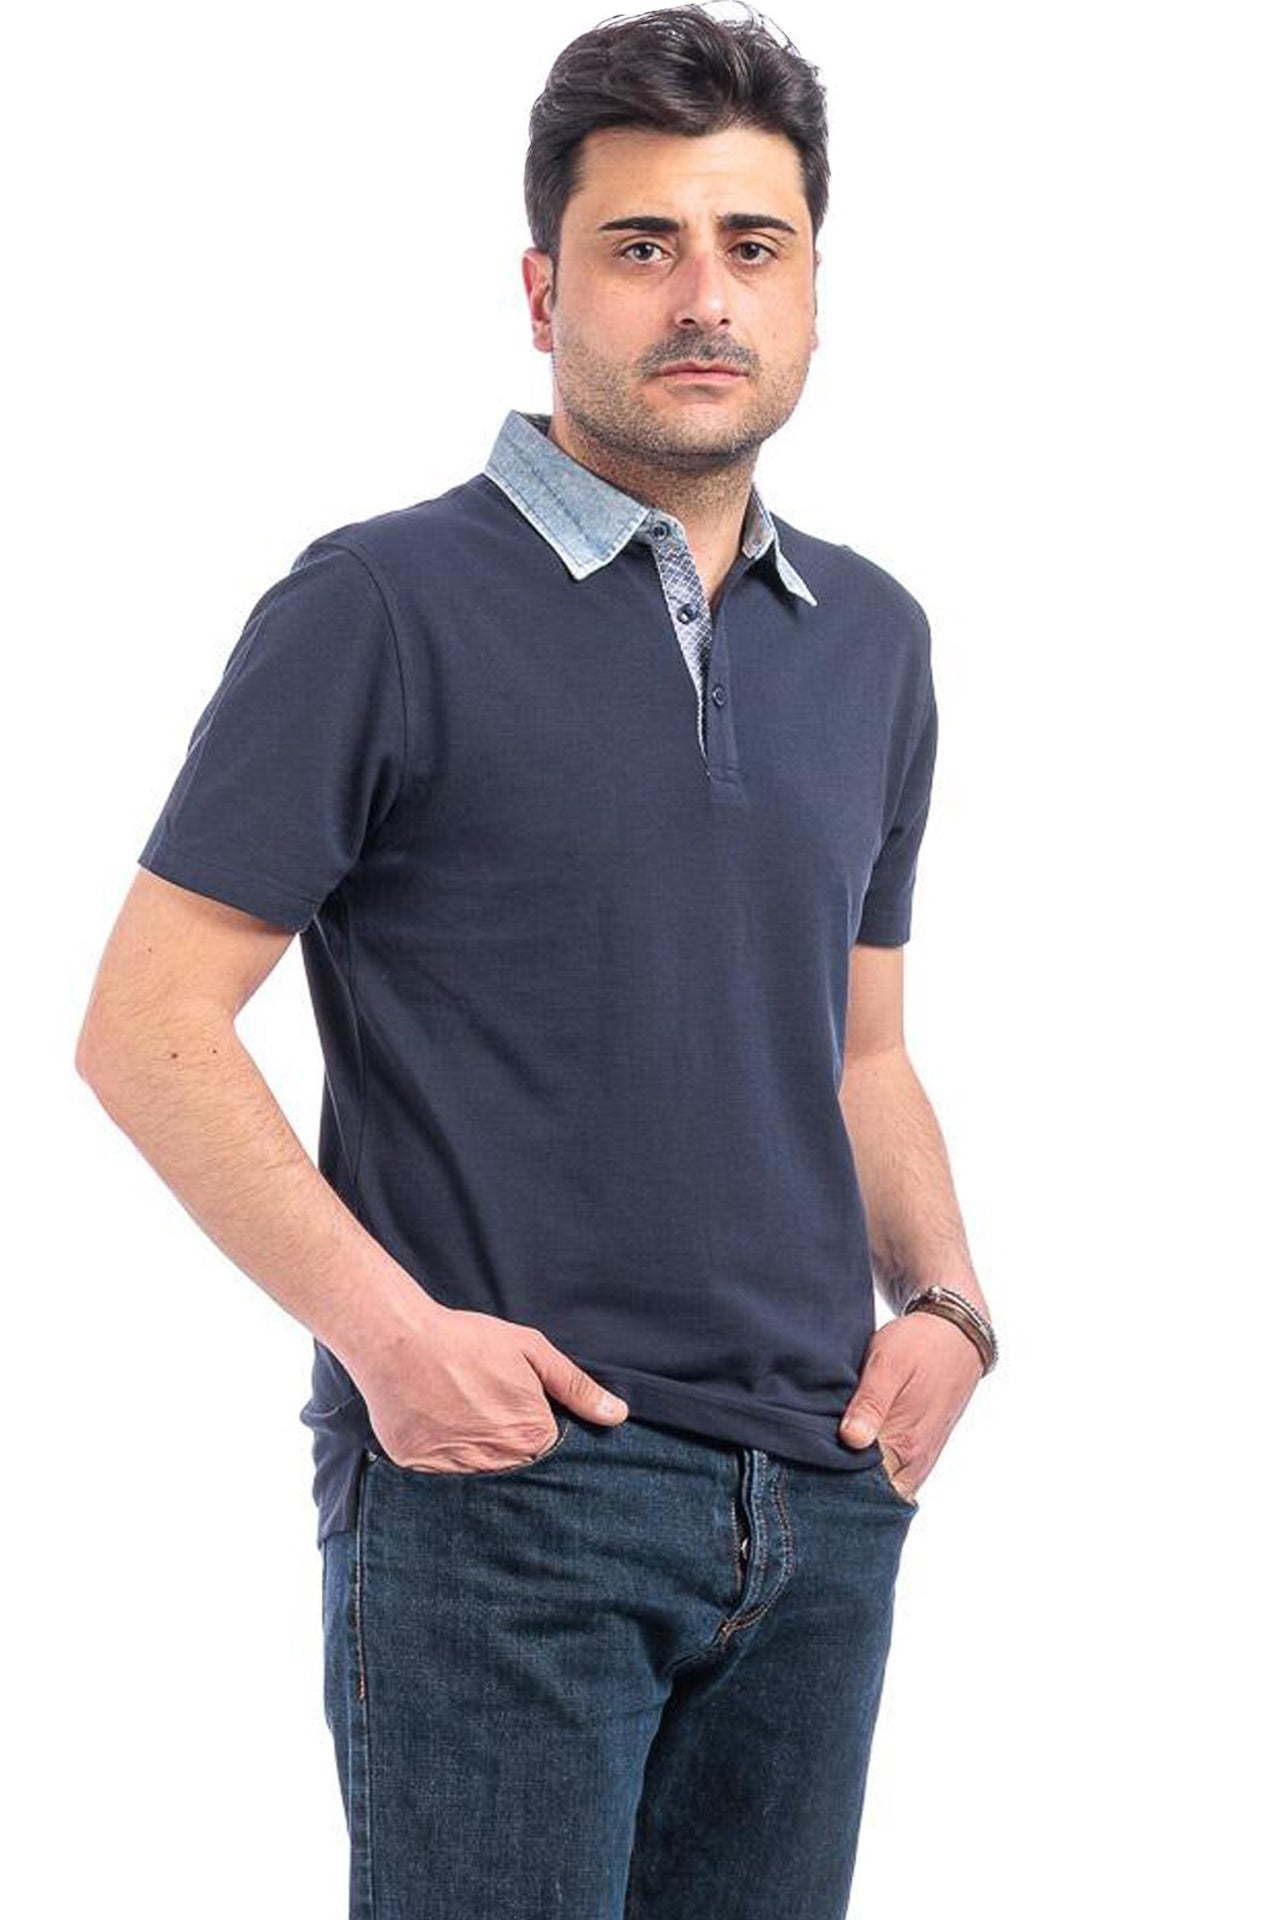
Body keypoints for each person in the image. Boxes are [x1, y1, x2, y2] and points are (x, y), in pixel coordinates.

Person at [75, 6, 998, 1915]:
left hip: (820, 1501)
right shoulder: (380, 604)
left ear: (813, 289)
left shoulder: (875, 638)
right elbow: (148, 1024)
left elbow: (861, 1049)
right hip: (511, 1497)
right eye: (641, 244)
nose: (704, 297)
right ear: (541, 288)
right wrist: (389, 1340)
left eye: (753, 245)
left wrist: (950, 1310)